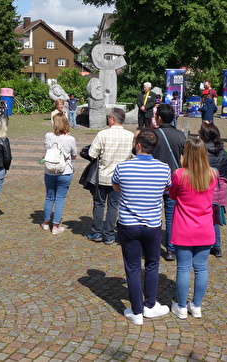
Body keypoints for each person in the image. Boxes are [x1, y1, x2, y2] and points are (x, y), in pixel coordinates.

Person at [112, 128, 172, 325]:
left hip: (128, 223)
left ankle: (136, 310)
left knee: (132, 267)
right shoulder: (164, 169)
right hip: (152, 224)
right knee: (153, 264)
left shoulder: (123, 167)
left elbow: (115, 186)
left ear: (138, 145)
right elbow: (166, 188)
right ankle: (150, 304)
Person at [169, 137, 218, 319]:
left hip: (183, 227)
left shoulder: (179, 174)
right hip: (205, 227)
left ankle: (181, 307)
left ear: (186, 155)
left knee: (183, 268)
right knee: (201, 268)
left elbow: (172, 196)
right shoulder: (213, 174)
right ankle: (196, 306)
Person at [87, 107, 134, 244]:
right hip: (119, 179)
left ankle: (96, 233)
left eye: (108, 117)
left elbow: (91, 154)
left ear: (113, 119)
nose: (107, 119)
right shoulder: (130, 136)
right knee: (114, 206)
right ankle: (108, 234)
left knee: (99, 204)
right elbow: (133, 156)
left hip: (102, 176)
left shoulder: (102, 134)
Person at [152, 103, 187, 262]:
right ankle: (171, 250)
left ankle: (151, 246)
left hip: (154, 180)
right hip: (174, 180)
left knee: (152, 215)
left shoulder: (153, 135)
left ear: (159, 118)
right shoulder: (180, 135)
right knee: (171, 217)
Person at [42, 114, 76, 234]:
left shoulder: (48, 136)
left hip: (50, 171)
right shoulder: (70, 139)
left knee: (49, 197)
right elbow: (74, 155)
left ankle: (46, 223)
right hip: (65, 171)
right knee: (60, 199)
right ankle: (56, 226)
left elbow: (47, 150)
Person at [199, 123, 227, 258]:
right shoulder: (222, 151)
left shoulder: (201, 152)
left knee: (202, 217)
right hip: (220, 188)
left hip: (205, 187)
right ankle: (217, 247)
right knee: (214, 219)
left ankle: (201, 243)